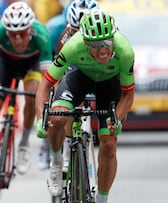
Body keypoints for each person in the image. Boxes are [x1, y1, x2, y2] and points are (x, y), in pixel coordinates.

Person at [35, 9, 135, 203]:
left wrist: (117, 118)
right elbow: (46, 83)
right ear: (86, 42)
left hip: (109, 84)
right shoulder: (73, 46)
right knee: (57, 118)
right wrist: (41, 119)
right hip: (80, 77)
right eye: (96, 45)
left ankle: (101, 199)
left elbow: (128, 94)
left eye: (107, 42)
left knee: (108, 143)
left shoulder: (124, 51)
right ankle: (56, 161)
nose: (103, 49)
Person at [0, 1, 53, 200]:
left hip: (32, 65)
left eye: (22, 33)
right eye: (12, 34)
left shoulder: (41, 35)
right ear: (5, 30)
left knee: (33, 95)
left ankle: (23, 144)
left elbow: (48, 79)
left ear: (30, 29)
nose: (17, 39)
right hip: (5, 65)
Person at [38, 0, 100, 170]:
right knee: (63, 102)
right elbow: (56, 73)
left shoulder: (103, 33)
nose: (79, 37)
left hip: (93, 64)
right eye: (74, 31)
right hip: (66, 60)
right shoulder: (57, 30)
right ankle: (61, 150)